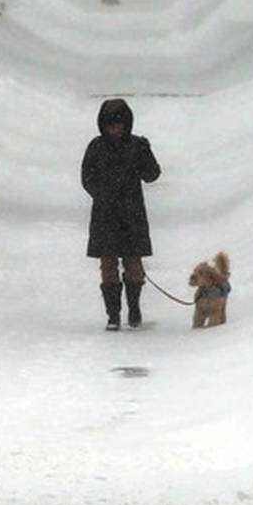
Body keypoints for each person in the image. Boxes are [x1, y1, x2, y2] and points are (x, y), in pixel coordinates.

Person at [81, 96, 161, 330]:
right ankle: (113, 314)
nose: (115, 130)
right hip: (105, 215)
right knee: (108, 267)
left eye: (119, 125)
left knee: (133, 264)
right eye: (110, 126)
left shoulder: (137, 146)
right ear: (102, 126)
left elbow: (152, 174)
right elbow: (86, 178)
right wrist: (103, 195)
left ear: (127, 125)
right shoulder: (95, 147)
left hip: (131, 215)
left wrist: (146, 153)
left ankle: (134, 307)